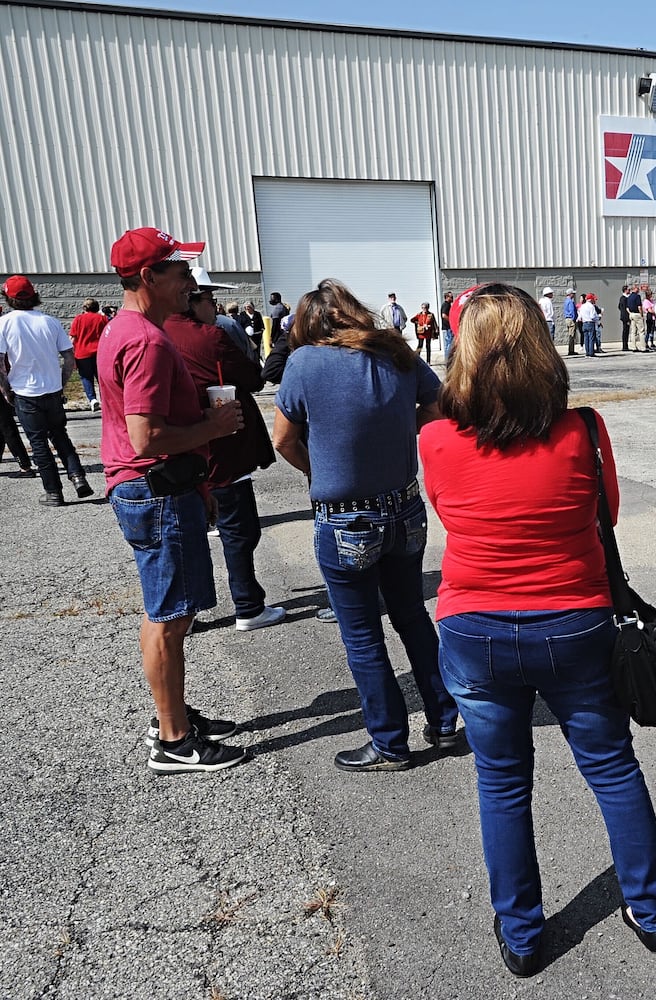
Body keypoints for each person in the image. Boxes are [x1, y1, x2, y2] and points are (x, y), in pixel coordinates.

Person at [417, 282, 656, 976]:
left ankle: (524, 936)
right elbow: (606, 515)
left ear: (461, 351)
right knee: (612, 768)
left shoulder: (436, 438)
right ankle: (652, 913)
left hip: (474, 624)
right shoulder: (582, 430)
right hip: (575, 619)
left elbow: (450, 513)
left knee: (501, 784)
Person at [272, 278, 460, 770]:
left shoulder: (304, 363)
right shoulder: (395, 353)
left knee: (362, 635)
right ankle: (443, 721)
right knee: (413, 617)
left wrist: (321, 466)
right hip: (404, 508)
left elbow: (283, 440)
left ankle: (389, 742)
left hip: (346, 517)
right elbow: (438, 405)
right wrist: (398, 425)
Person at [99, 227, 247, 772]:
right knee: (169, 616)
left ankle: (171, 714)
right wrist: (212, 425)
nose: (189, 281)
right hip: (154, 485)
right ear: (148, 277)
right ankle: (175, 739)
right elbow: (147, 437)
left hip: (155, 485)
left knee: (169, 614)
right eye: (179, 271)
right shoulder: (146, 341)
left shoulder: (131, 329)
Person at [164, 276, 286, 634]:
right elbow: (253, 377)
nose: (214, 308)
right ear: (192, 300)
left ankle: (180, 614)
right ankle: (248, 605)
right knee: (239, 530)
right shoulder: (209, 336)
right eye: (208, 300)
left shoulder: (152, 332)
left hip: (170, 449)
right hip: (221, 449)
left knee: (181, 534)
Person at [0, 275, 94, 506]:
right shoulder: (49, 321)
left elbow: (0, 360)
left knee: (39, 442)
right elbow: (69, 356)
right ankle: (78, 477)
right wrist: (62, 381)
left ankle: (53, 491)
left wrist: (4, 388)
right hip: (51, 389)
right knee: (60, 435)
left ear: (8, 298)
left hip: (24, 391)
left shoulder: (5, 323)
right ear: (34, 295)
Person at [70, 297, 108, 409]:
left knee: (86, 377)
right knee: (101, 378)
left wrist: (70, 355)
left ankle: (92, 399)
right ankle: (105, 400)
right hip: (99, 353)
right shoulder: (102, 319)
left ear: (84, 308)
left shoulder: (78, 319)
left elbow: (72, 338)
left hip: (82, 354)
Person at [626, 284, 643, 352]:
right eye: (637, 288)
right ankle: (643, 347)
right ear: (634, 289)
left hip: (631, 314)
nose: (638, 290)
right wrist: (641, 314)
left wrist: (630, 313)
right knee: (641, 331)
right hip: (637, 314)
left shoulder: (629, 297)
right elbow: (639, 306)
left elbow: (627, 308)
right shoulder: (637, 296)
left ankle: (633, 347)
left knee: (633, 332)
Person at [562, 289, 579, 355]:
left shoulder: (566, 301)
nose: (574, 295)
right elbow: (572, 311)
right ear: (570, 294)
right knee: (572, 335)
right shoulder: (570, 302)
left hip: (567, 319)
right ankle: (571, 350)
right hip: (571, 319)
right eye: (573, 293)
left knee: (570, 334)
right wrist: (574, 319)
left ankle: (571, 350)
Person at [439, 291, 455, 362]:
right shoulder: (446, 305)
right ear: (447, 297)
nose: (452, 298)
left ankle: (448, 359)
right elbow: (444, 315)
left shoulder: (446, 304)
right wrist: (451, 321)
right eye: (451, 297)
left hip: (447, 328)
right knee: (449, 344)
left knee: (448, 344)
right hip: (448, 327)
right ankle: (448, 360)